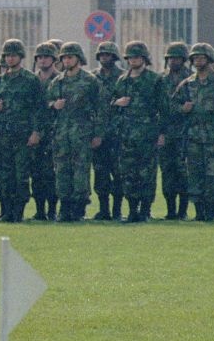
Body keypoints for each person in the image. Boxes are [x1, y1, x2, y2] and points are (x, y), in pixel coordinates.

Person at [171, 42, 214, 221]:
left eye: (201, 57)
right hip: (193, 137)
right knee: (195, 174)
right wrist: (183, 108)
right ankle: (199, 211)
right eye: (195, 58)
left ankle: (213, 211)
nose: (198, 61)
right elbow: (172, 105)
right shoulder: (187, 83)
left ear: (209, 59)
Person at [0, 39, 47, 223]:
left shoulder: (30, 80)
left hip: (23, 135)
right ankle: (6, 209)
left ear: (20, 57)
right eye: (7, 55)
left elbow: (39, 108)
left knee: (21, 174)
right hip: (3, 134)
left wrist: (37, 132)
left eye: (13, 55)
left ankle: (19, 211)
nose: (10, 59)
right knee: (4, 174)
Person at [109, 41, 169, 222]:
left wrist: (161, 133)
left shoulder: (154, 80)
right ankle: (132, 209)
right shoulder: (122, 80)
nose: (133, 60)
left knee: (147, 174)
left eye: (137, 57)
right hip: (126, 135)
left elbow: (164, 108)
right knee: (128, 173)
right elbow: (110, 105)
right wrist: (117, 103)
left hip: (147, 134)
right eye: (130, 57)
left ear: (144, 59)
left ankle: (145, 209)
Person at [45, 41, 104, 222]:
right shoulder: (57, 81)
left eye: (70, 57)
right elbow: (46, 104)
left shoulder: (90, 81)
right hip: (62, 133)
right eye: (64, 58)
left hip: (82, 132)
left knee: (81, 170)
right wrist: (54, 105)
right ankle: (65, 206)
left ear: (78, 59)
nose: (67, 61)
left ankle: (79, 207)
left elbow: (100, 108)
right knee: (62, 169)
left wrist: (98, 134)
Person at [89, 41, 124, 221]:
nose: (104, 57)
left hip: (118, 132)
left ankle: (117, 209)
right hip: (98, 133)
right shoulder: (91, 78)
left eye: (108, 55)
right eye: (101, 55)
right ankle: (104, 209)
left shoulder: (123, 77)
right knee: (100, 173)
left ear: (114, 57)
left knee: (118, 173)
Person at [158, 41, 192, 219]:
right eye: (170, 58)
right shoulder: (161, 80)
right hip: (166, 133)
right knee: (167, 172)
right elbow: (158, 108)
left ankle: (183, 210)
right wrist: (160, 133)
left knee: (183, 173)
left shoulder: (191, 80)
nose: (173, 61)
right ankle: (170, 210)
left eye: (177, 58)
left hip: (185, 133)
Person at [29, 42, 61, 220]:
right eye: (39, 57)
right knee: (36, 173)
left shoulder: (61, 79)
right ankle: (40, 210)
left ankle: (52, 209)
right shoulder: (32, 80)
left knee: (52, 173)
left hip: (55, 132)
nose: (42, 60)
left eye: (46, 57)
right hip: (35, 132)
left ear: (53, 59)